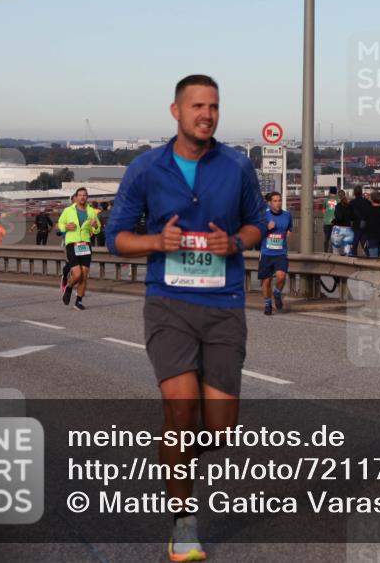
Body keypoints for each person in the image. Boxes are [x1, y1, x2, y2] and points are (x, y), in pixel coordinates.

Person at [106, 74, 265, 562]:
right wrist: (157, 241)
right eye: (197, 106)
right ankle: (183, 523)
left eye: (213, 106)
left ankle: (173, 452)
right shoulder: (145, 168)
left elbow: (258, 223)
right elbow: (116, 238)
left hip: (224, 305)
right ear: (175, 111)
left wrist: (234, 242)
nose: (206, 114)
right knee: (180, 411)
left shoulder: (237, 166)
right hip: (168, 303)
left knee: (219, 431)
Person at [57, 187, 102, 311]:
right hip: (72, 243)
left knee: (84, 275)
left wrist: (95, 226)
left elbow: (97, 229)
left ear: (87, 197)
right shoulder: (68, 210)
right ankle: (69, 287)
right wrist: (66, 227)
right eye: (80, 195)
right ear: (76, 197)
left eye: (84, 195)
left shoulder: (91, 211)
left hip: (85, 244)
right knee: (77, 274)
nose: (82, 197)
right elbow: (60, 224)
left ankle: (79, 301)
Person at [259, 191, 292, 316]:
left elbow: (289, 228)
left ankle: (277, 293)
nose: (278, 203)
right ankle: (268, 304)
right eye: (275, 201)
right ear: (269, 203)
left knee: (281, 276)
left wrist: (288, 232)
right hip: (266, 253)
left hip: (281, 253)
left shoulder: (287, 215)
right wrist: (267, 228)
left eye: (279, 200)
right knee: (266, 281)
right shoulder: (263, 216)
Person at [365, 191, 380, 258]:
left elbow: (362, 225)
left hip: (371, 236)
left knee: (373, 258)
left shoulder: (367, 210)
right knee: (376, 255)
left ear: (371, 199)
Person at [330, 190, 355, 256]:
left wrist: (333, 221)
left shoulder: (338, 206)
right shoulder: (350, 206)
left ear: (338, 197)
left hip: (338, 229)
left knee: (336, 252)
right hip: (349, 230)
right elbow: (353, 217)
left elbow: (339, 218)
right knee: (348, 252)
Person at [350, 185, 373, 257]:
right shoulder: (367, 202)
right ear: (361, 192)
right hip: (365, 226)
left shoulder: (352, 203)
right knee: (365, 246)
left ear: (354, 193)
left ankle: (353, 259)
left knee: (354, 246)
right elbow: (370, 214)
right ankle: (369, 259)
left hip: (355, 226)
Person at [322, 187, 338, 252]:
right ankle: (332, 252)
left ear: (330, 192)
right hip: (335, 222)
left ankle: (325, 251)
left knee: (327, 238)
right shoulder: (338, 200)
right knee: (334, 238)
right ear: (336, 192)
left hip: (326, 221)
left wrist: (326, 215)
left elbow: (323, 210)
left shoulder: (326, 200)